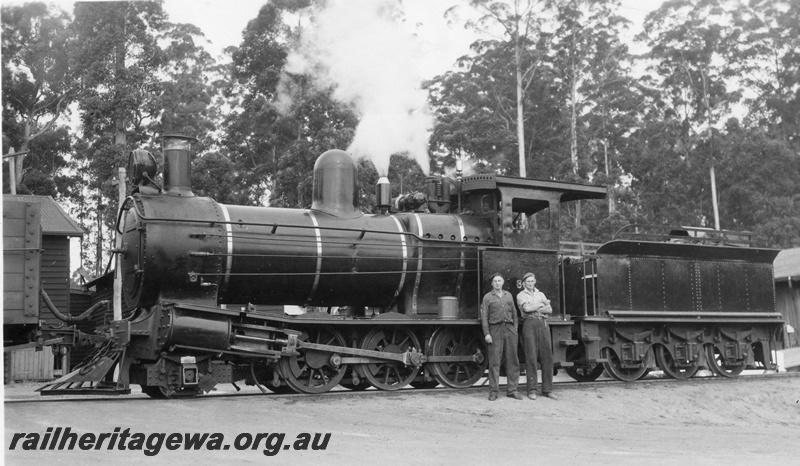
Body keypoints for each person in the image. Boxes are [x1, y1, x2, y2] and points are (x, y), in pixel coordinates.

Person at [517, 272, 558, 401]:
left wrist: (538, 307)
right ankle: (532, 390)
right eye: (528, 281)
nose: (530, 283)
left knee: (547, 358)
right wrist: (541, 305)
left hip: (543, 324)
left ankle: (547, 390)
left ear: (535, 281)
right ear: (524, 283)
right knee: (531, 357)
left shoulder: (541, 294)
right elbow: (527, 309)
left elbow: (550, 309)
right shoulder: (520, 295)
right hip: (529, 324)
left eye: (532, 281)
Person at [481, 272, 522, 401]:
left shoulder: (508, 295)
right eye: (495, 281)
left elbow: (515, 314)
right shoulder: (487, 297)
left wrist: (514, 329)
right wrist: (487, 333)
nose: (497, 283)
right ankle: (493, 392)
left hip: (509, 329)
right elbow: (484, 318)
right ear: (492, 284)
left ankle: (512, 390)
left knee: (513, 361)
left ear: (503, 282)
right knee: (495, 362)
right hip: (495, 329)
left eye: (499, 281)